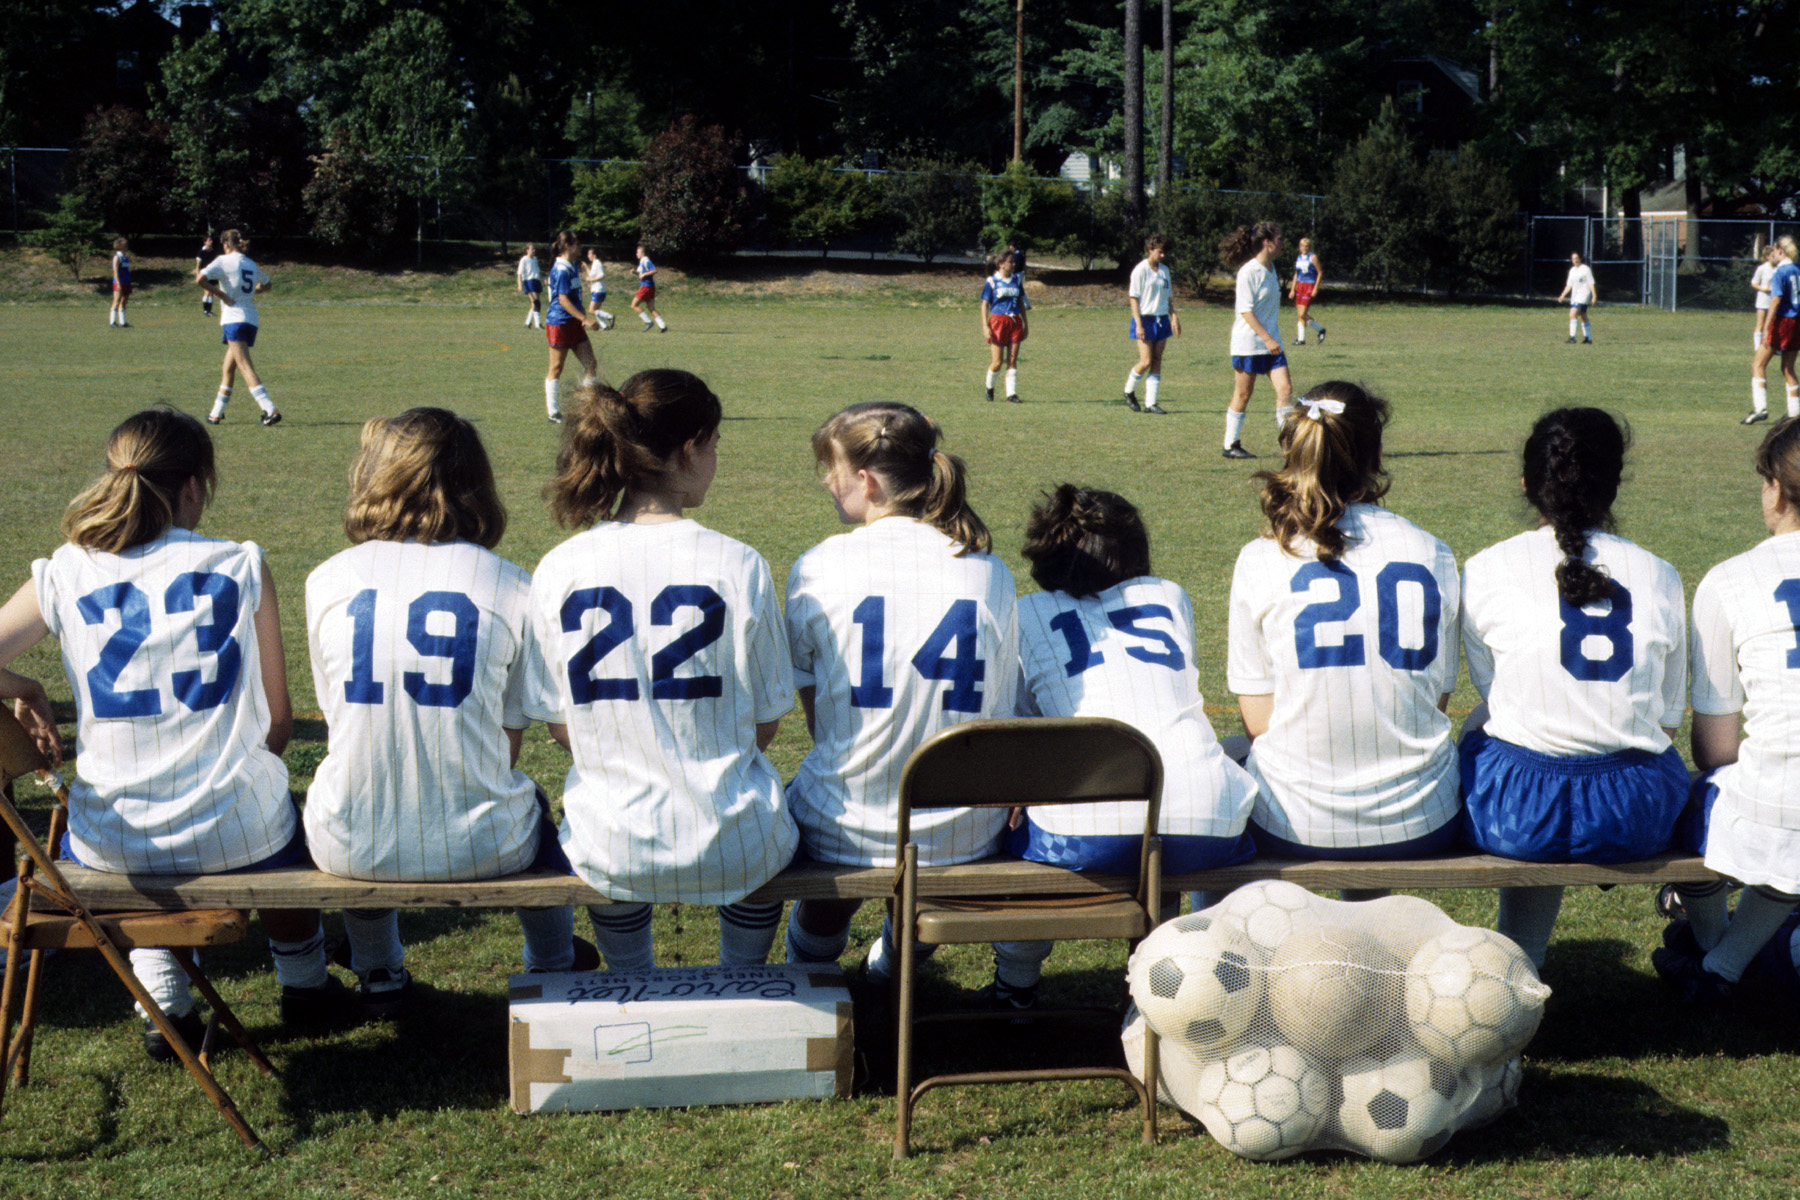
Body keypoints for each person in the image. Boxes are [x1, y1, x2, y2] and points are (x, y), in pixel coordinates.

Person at [0, 408, 340, 1060]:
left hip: (111, 838)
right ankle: (305, 984)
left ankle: (162, 1006)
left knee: (143, 840)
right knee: (280, 813)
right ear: (192, 486)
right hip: (238, 828)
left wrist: (28, 688)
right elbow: (278, 719)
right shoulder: (239, 563)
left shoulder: (66, 570)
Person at [303, 408, 589, 1017]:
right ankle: (553, 963)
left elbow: (341, 725)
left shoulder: (327, 579)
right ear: (474, 484)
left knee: (359, 785)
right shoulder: (511, 583)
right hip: (483, 844)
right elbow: (505, 745)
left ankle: (378, 969)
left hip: (347, 842)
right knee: (532, 805)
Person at [525, 370, 798, 970]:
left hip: (612, 838)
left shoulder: (560, 565)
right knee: (759, 827)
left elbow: (559, 723)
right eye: (715, 445)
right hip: (732, 834)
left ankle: (632, 977)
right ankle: (743, 977)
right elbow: (766, 721)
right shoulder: (738, 563)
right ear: (690, 448)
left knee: (611, 832)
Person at [782, 402, 1019, 995]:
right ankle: (890, 972)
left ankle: (810, 982)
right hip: (964, 829)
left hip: (845, 820)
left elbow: (818, 721)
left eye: (831, 469)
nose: (827, 482)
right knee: (909, 857)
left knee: (823, 835)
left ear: (866, 481)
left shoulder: (818, 565)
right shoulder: (988, 571)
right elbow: (1001, 709)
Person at [1458, 408, 1688, 970]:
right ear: (1614, 485)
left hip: (1518, 809)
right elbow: (1666, 721)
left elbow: (1496, 697)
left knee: (1488, 728)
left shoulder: (1486, 568)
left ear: (1526, 483)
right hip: (1634, 809)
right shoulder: (1659, 573)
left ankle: (1522, 959)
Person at [1226, 381, 1461, 893]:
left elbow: (1259, 723)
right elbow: (1436, 702)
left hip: (1295, 823)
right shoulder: (1432, 551)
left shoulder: (1260, 558)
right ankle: (1365, 927)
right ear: (1374, 457)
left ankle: (1218, 939)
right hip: (1422, 820)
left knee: (1222, 763)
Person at [1013, 484, 1257, 868]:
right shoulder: (1168, 595)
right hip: (1209, 822)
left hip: (1086, 832)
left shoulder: (1027, 613)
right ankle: (1187, 913)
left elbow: (1024, 735)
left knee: (1004, 822)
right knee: (1230, 756)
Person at [1656, 417, 1800, 1006]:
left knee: (1691, 797)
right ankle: (1723, 960)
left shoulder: (1732, 579)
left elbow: (1715, 749)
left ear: (1776, 489)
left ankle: (1717, 960)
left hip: (1780, 808)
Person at [1220, 222, 1295, 459]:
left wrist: (1271, 339)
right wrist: (1266, 338)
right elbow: (1245, 311)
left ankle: (1289, 446)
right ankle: (1230, 445)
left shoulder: (1272, 269)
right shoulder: (1248, 272)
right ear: (1267, 242)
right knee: (1243, 395)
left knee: (1285, 390)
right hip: (1249, 343)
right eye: (1280, 239)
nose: (1283, 244)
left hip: (1272, 342)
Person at [196, 229, 280, 428]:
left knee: (244, 366)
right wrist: (252, 292)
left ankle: (270, 410)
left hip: (234, 319)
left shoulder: (223, 260)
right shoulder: (250, 262)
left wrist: (222, 295)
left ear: (226, 244)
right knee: (228, 368)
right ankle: (216, 413)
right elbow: (267, 284)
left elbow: (200, 279)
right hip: (250, 319)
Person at [542, 229, 601, 426]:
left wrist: (581, 315)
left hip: (574, 322)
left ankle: (586, 407)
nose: (581, 247)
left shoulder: (573, 265)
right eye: (578, 244)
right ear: (568, 246)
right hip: (559, 323)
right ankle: (553, 412)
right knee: (556, 368)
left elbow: (574, 297)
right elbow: (563, 300)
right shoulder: (560, 269)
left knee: (590, 364)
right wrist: (585, 319)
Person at [1121, 233, 1179, 415]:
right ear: (1150, 249)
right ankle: (1129, 391)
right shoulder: (1140, 270)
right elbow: (1133, 298)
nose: (1163, 255)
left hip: (1162, 319)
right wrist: (1138, 324)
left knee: (1157, 360)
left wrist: (1174, 317)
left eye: (1164, 252)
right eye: (1160, 252)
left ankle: (1151, 403)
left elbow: (1168, 297)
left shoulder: (1165, 270)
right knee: (1145, 361)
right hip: (1145, 319)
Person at [1746, 236, 1800, 426]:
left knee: (1758, 364)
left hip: (1782, 321)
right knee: (1788, 368)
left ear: (1780, 251)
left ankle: (1760, 408)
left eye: (1774, 250)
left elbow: (1775, 300)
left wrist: (1767, 328)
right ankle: (1794, 413)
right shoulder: (1797, 269)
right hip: (1797, 321)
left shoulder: (1780, 272)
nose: (1772, 253)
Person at [979, 250, 1030, 403]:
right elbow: (985, 304)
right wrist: (985, 325)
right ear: (1001, 264)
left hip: (1014, 321)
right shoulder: (992, 281)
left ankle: (1011, 394)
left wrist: (1025, 323)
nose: (1014, 264)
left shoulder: (1016, 280)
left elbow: (1020, 302)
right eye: (1010, 262)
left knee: (1012, 359)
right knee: (997, 362)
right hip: (998, 322)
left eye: (1014, 261)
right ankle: (990, 388)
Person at [1289, 237, 1326, 346]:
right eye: (1302, 246)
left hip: (1309, 286)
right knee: (1300, 315)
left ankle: (1320, 329)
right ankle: (1301, 340)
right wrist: (1292, 289)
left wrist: (1316, 288)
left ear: (1309, 247)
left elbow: (1320, 272)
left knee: (1302, 313)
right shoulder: (1299, 257)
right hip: (1300, 286)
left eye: (1306, 246)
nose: (1304, 248)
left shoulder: (1312, 257)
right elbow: (1296, 274)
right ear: (1299, 247)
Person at [1556, 251, 1596, 344]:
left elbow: (1591, 283)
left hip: (1584, 295)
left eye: (1577, 258)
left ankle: (1572, 337)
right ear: (1571, 260)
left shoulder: (1585, 269)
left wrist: (1594, 296)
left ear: (1580, 259)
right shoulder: (1572, 270)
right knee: (1583, 315)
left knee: (1572, 314)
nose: (1575, 260)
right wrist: (1562, 295)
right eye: (1573, 259)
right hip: (1575, 296)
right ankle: (1588, 339)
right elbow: (1569, 285)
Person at [632, 244, 668, 333]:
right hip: (650, 287)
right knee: (651, 308)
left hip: (646, 287)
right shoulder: (642, 262)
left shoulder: (646, 260)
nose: (636, 254)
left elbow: (655, 270)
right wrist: (635, 272)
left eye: (638, 252)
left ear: (643, 253)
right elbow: (641, 275)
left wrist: (644, 274)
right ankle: (663, 326)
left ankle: (648, 322)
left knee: (634, 305)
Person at [1753, 242, 1781, 352]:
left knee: (1773, 324)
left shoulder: (1779, 268)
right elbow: (1754, 283)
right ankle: (1757, 347)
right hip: (1763, 300)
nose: (1775, 258)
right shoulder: (1762, 268)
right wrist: (1764, 289)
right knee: (1760, 324)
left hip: (1774, 300)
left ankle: (1773, 346)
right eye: (1773, 256)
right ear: (1767, 257)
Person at [583, 248, 616, 331]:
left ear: (594, 255)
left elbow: (602, 276)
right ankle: (605, 326)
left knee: (591, 310)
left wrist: (590, 280)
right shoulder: (595, 264)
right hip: (597, 290)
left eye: (589, 254)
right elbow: (591, 274)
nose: (588, 256)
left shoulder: (597, 263)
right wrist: (586, 267)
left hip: (598, 290)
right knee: (596, 310)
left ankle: (610, 317)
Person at [517, 244, 542, 329]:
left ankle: (528, 323)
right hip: (528, 281)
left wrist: (543, 279)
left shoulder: (535, 259)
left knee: (535, 303)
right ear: (527, 250)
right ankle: (538, 324)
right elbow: (519, 274)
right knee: (535, 302)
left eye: (534, 249)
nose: (534, 251)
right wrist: (520, 285)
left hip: (536, 281)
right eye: (532, 249)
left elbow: (537, 270)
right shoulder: (524, 260)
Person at [109, 237, 132, 328]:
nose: (127, 247)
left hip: (127, 281)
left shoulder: (125, 257)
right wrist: (118, 283)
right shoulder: (117, 257)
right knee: (117, 301)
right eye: (125, 245)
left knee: (124, 301)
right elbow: (115, 271)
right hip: (119, 282)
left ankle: (123, 322)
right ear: (120, 246)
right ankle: (113, 322)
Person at [196, 234, 215, 317]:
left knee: (211, 292)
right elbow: (197, 265)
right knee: (207, 292)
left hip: (212, 274)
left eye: (211, 240)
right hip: (204, 275)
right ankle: (205, 311)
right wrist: (198, 275)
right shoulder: (201, 252)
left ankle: (209, 311)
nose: (211, 241)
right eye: (209, 240)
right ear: (205, 242)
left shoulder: (213, 252)